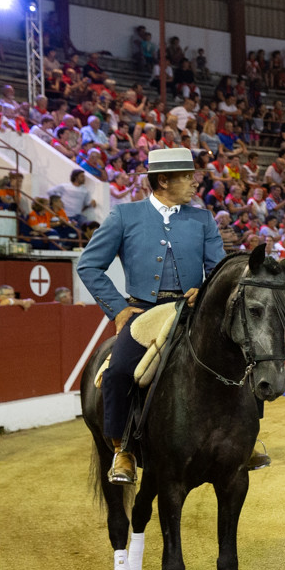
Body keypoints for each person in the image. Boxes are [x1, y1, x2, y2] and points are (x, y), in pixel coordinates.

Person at [77, 148, 228, 485]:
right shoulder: (123, 216)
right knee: (117, 372)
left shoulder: (203, 219)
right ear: (163, 180)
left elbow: (217, 268)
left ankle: (242, 442)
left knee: (240, 355)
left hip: (190, 313)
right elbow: (88, 265)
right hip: (144, 314)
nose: (194, 183)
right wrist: (118, 308)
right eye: (186, 177)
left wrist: (204, 290)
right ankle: (122, 450)